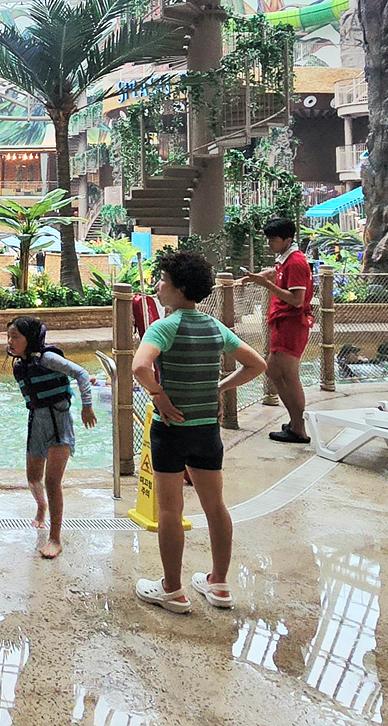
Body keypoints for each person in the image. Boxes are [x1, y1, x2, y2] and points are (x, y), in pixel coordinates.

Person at [132, 250, 266, 614]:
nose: (158, 285)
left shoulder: (164, 327)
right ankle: (218, 584)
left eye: (163, 280)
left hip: (171, 431)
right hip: (207, 430)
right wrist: (219, 387)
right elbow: (257, 364)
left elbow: (140, 367)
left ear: (178, 289)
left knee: (170, 510)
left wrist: (158, 395)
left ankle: (172, 590)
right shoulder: (214, 327)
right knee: (215, 506)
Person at [5, 315, 94, 558]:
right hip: (37, 423)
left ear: (30, 339)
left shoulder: (48, 359)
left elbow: (81, 374)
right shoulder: (20, 366)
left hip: (59, 424)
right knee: (33, 477)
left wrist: (87, 406)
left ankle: (55, 538)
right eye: (8, 336)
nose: (10, 341)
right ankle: (41, 506)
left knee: (52, 482)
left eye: (15, 337)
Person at [244, 217, 312, 443]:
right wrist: (255, 278)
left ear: (287, 240)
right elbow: (275, 272)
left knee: (290, 376)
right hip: (283, 323)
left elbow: (297, 300)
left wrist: (267, 285)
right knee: (273, 371)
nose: (269, 243)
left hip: (291, 324)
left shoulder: (295, 263)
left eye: (273, 239)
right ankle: (295, 422)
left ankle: (299, 428)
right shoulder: (285, 259)